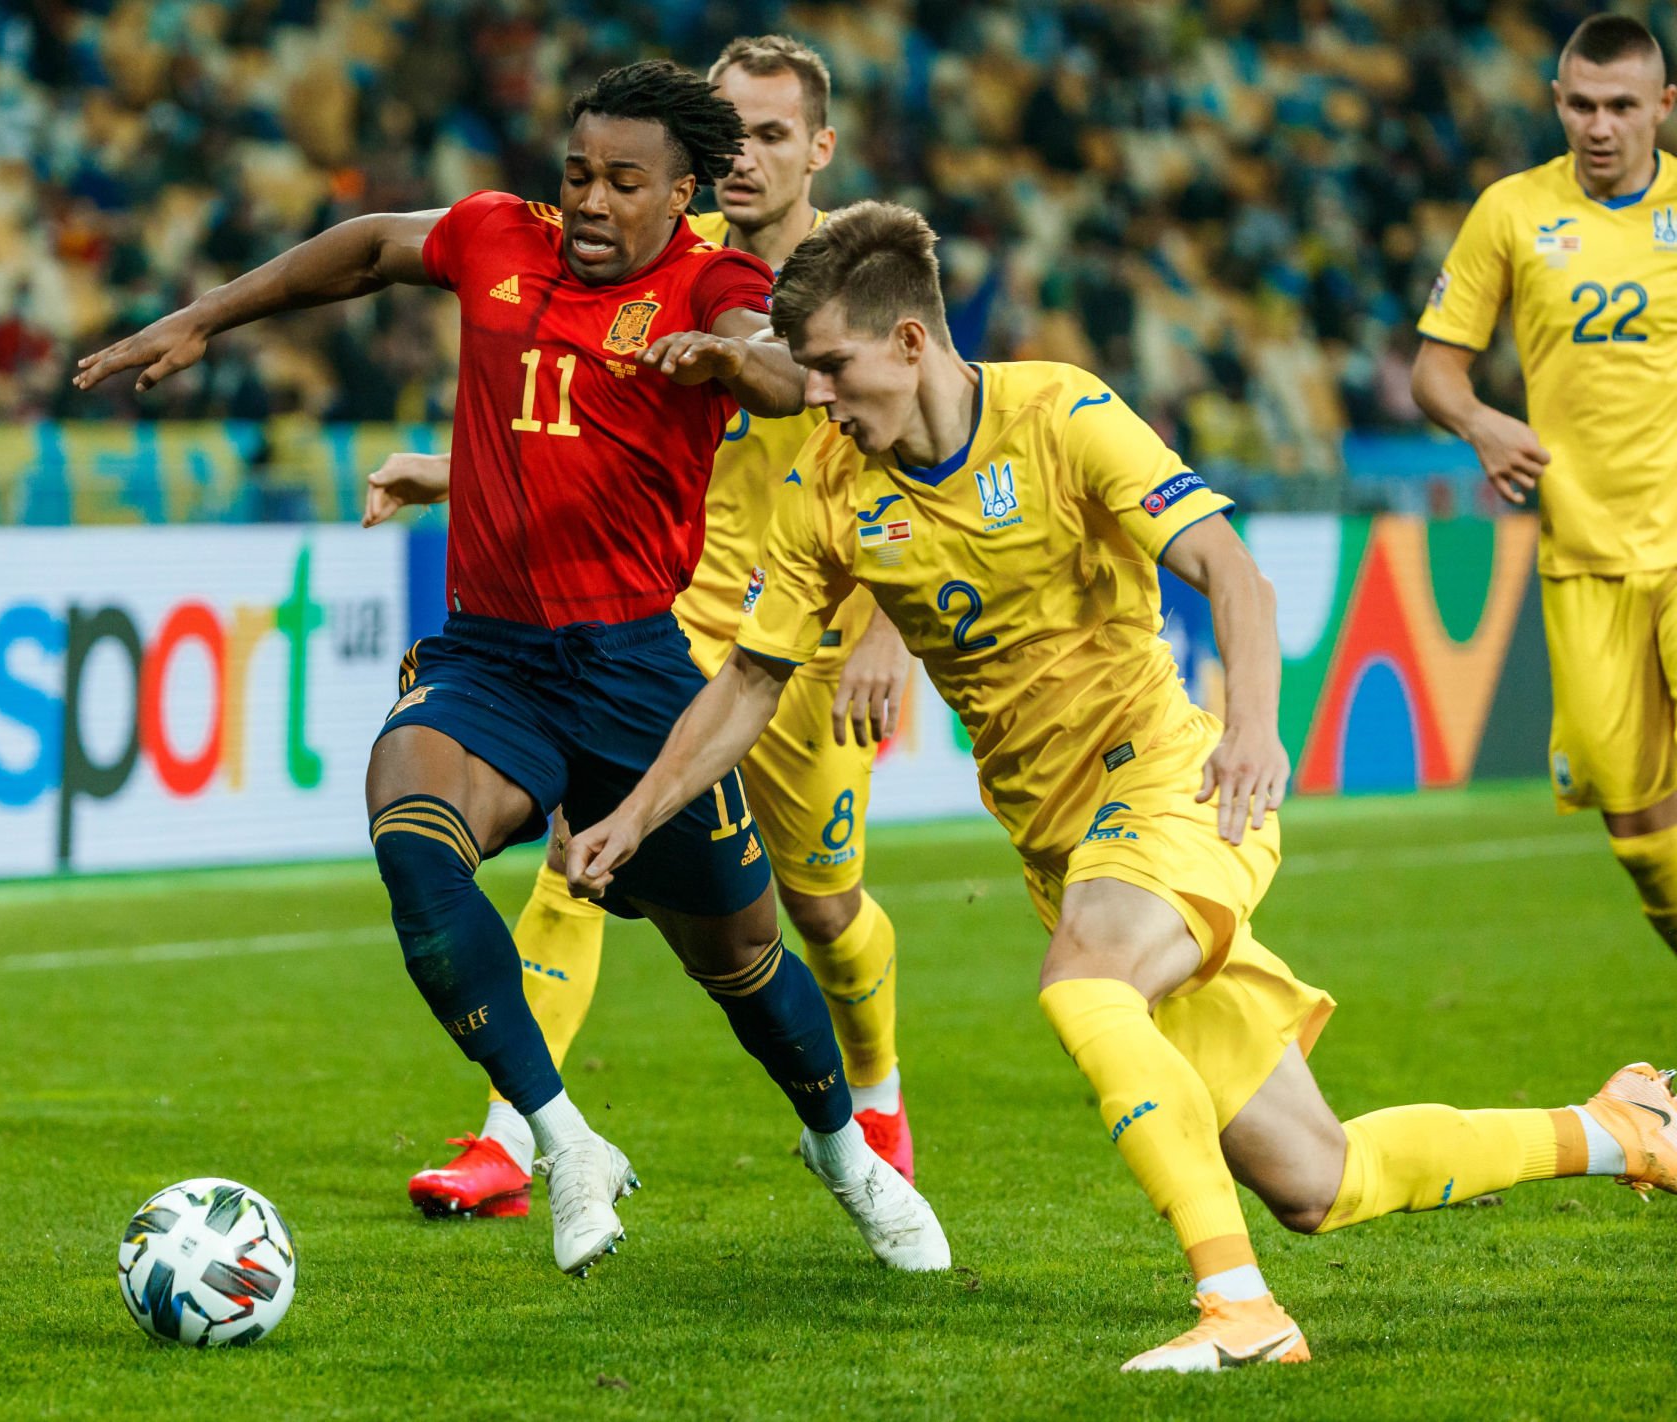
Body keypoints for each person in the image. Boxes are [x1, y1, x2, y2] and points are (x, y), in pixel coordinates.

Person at [565, 200, 1677, 1369]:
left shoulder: (1060, 413)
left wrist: (1253, 731)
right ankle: (1617, 1130)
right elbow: (749, 681)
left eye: (835, 369)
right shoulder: (829, 490)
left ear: (908, 342)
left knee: (1084, 985)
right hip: (1062, 844)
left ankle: (1240, 1312)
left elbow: (1229, 575)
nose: (821, 400)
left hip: (1172, 784)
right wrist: (633, 818)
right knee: (1315, 1175)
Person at [75, 62, 948, 1280]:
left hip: (641, 672)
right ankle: (559, 1137)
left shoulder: (712, 279)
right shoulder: (496, 235)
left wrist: (718, 359)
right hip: (490, 656)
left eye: (622, 182)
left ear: (681, 192)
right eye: (577, 173)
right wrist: (205, 317)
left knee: (745, 968)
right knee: (410, 834)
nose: (589, 200)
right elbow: (371, 247)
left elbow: (769, 362)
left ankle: (843, 1153)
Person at [378, 35, 924, 1225]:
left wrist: (887, 623)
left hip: (805, 640)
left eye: (769, 134)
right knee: (579, 873)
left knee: (817, 912)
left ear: (816, 150)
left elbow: (920, 450)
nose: (741, 154)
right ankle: (514, 1135)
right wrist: (446, 470)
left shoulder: (855, 288)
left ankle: (870, 1102)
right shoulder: (661, 267)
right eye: (725, 129)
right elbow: (573, 434)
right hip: (666, 628)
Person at [1413, 14, 1677, 958]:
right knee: (1646, 846)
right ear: (1557, 102)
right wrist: (1483, 422)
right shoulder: (1513, 212)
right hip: (1586, 559)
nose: (1600, 126)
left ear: (1664, 107)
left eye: (1622, 106)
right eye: (1582, 104)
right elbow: (1435, 369)